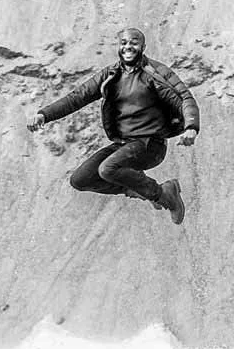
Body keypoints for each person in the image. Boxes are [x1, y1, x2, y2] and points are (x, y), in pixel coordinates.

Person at [27, 27, 199, 224]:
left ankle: (163, 194)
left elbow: (184, 98)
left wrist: (191, 127)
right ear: (119, 46)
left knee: (107, 169)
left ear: (143, 46)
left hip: (150, 145)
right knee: (80, 180)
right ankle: (135, 188)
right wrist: (44, 115)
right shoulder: (111, 75)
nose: (128, 47)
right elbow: (78, 97)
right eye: (124, 43)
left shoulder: (155, 73)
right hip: (123, 144)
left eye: (134, 43)